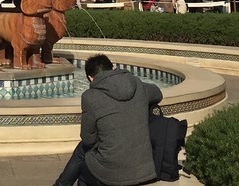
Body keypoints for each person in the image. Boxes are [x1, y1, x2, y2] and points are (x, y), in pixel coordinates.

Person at [53, 54, 163, 186]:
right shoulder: (137, 84)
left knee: (82, 155)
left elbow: (88, 139)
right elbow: (157, 93)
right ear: (113, 68)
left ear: (90, 78)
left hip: (111, 174)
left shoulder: (90, 97)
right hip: (143, 170)